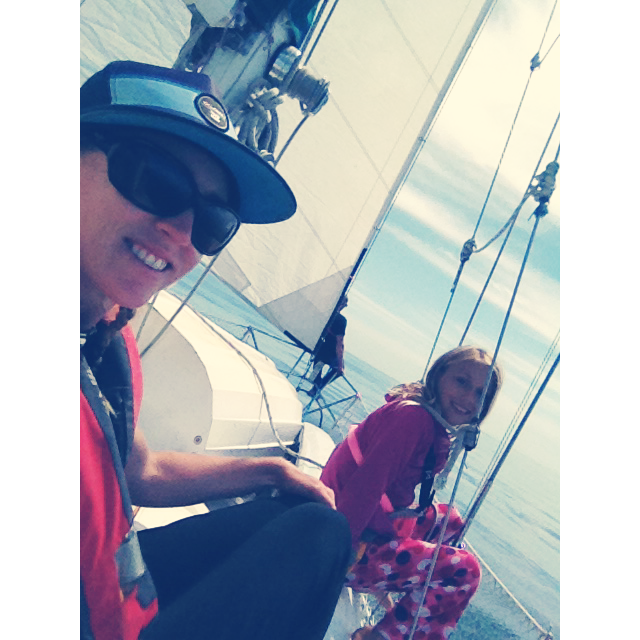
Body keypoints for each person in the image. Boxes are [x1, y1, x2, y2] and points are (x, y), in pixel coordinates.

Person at [80, 60, 352, 640]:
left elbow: (141, 471)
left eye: (212, 223)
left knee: (309, 526)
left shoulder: (104, 336)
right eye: (155, 180)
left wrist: (272, 470)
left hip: (107, 591)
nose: (182, 233)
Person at [320, 346, 503, 640]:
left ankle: (408, 612)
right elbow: (365, 488)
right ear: (439, 375)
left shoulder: (424, 416)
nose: (469, 399)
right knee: (465, 572)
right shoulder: (413, 421)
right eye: (462, 382)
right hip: (343, 547)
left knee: (450, 520)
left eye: (481, 393)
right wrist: (336, 556)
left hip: (356, 526)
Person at [308, 296, 348, 394]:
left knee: (318, 366)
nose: (346, 306)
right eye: (345, 304)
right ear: (341, 304)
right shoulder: (341, 320)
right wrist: (340, 366)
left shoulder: (325, 314)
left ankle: (315, 388)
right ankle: (317, 388)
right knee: (338, 370)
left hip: (320, 348)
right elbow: (339, 343)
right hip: (332, 351)